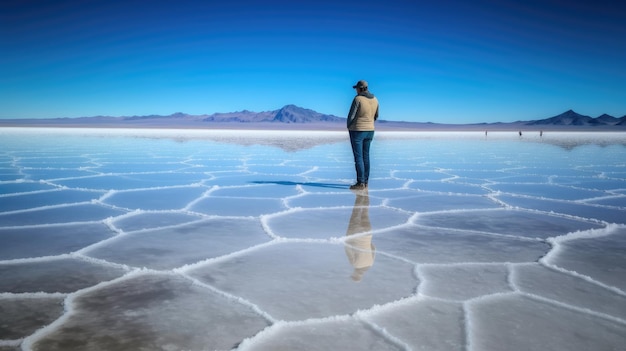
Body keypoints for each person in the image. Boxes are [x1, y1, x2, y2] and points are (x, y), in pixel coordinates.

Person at [347, 80, 379, 190]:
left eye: (356, 88)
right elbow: (376, 115)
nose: (356, 90)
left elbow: (351, 116)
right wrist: (369, 122)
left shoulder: (358, 99)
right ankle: (365, 181)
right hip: (370, 131)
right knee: (366, 156)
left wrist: (349, 127)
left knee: (358, 157)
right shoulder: (375, 99)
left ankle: (360, 183)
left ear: (360, 88)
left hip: (357, 130)